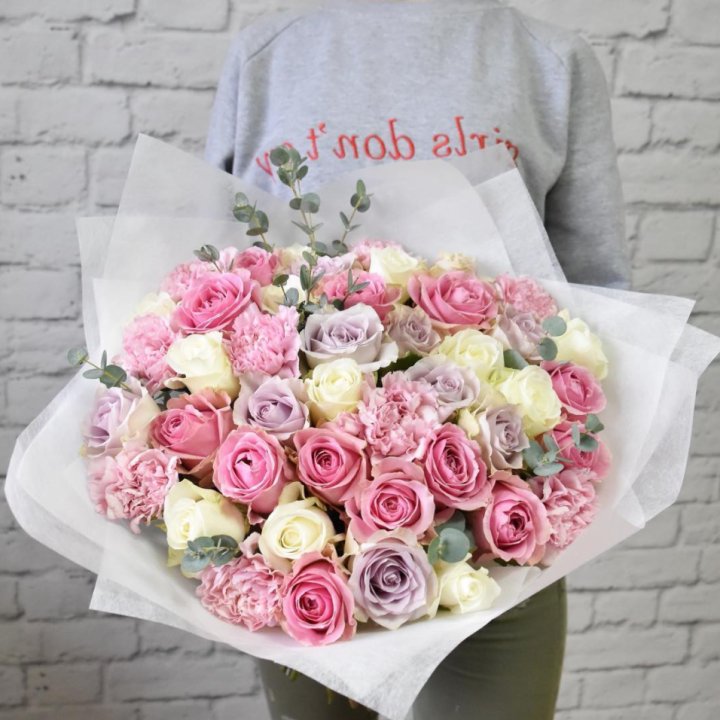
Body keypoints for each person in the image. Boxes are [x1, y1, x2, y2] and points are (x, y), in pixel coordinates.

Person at [205, 1, 630, 717]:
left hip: (499, 536)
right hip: (300, 547)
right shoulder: (266, 61)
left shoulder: (549, 64)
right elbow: (217, 286)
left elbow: (601, 308)